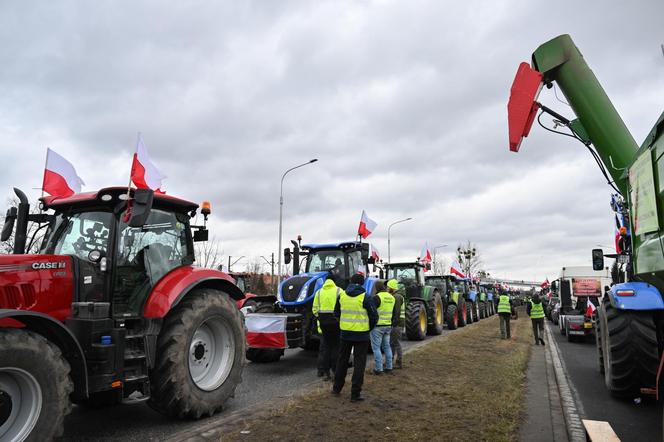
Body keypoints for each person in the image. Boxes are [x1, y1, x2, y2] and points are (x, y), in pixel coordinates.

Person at [332, 273, 378, 402]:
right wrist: (368, 328)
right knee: (359, 364)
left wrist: (343, 325)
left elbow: (336, 313)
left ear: (351, 282)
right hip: (361, 335)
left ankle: (336, 388)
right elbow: (374, 316)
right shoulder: (366, 297)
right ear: (362, 283)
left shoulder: (341, 295)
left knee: (342, 361)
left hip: (345, 334)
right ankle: (355, 394)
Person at [312, 278, 343, 380]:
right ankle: (335, 370)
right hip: (336, 324)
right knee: (336, 347)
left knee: (325, 348)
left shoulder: (319, 292)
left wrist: (320, 318)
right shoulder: (339, 291)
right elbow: (343, 307)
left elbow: (314, 310)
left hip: (323, 325)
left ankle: (325, 372)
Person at [370, 281, 395, 375]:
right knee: (387, 347)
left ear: (376, 288)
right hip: (388, 325)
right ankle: (389, 367)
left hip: (378, 326)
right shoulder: (391, 298)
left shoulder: (377, 297)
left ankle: (378, 369)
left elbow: (372, 312)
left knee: (376, 348)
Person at [388, 279, 404, 369]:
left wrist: (394, 323)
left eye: (388, 287)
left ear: (392, 288)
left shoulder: (397, 297)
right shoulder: (396, 296)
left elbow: (397, 311)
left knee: (396, 343)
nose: (387, 289)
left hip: (397, 323)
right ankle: (390, 361)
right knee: (392, 343)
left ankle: (398, 362)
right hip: (398, 323)